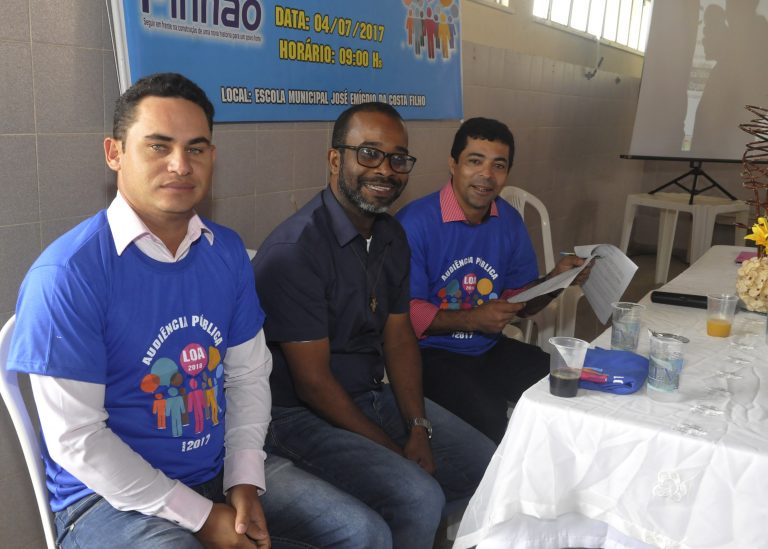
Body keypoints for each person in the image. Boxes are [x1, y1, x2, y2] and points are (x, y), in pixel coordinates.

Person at [8, 73, 390, 549]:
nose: (180, 165)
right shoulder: (68, 275)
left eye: (196, 148)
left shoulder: (225, 251)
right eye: (158, 146)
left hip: (216, 471)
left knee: (363, 533)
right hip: (106, 501)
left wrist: (244, 478)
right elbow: (78, 440)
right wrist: (202, 517)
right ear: (114, 153)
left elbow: (248, 375)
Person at [252, 102, 496, 548]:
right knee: (418, 496)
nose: (385, 169)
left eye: (398, 158)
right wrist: (392, 450)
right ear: (335, 160)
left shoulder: (390, 235)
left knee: (486, 465)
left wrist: (417, 426)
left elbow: (399, 337)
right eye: (368, 154)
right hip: (295, 418)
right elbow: (313, 384)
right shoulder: (296, 250)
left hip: (368, 395)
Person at [396, 117, 590, 444]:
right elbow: (405, 314)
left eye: (498, 165)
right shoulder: (414, 223)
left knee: (565, 384)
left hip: (488, 347)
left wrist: (557, 280)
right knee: (490, 418)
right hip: (427, 355)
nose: (486, 174)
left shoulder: (508, 220)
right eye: (475, 161)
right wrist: (474, 319)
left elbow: (521, 303)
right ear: (453, 164)